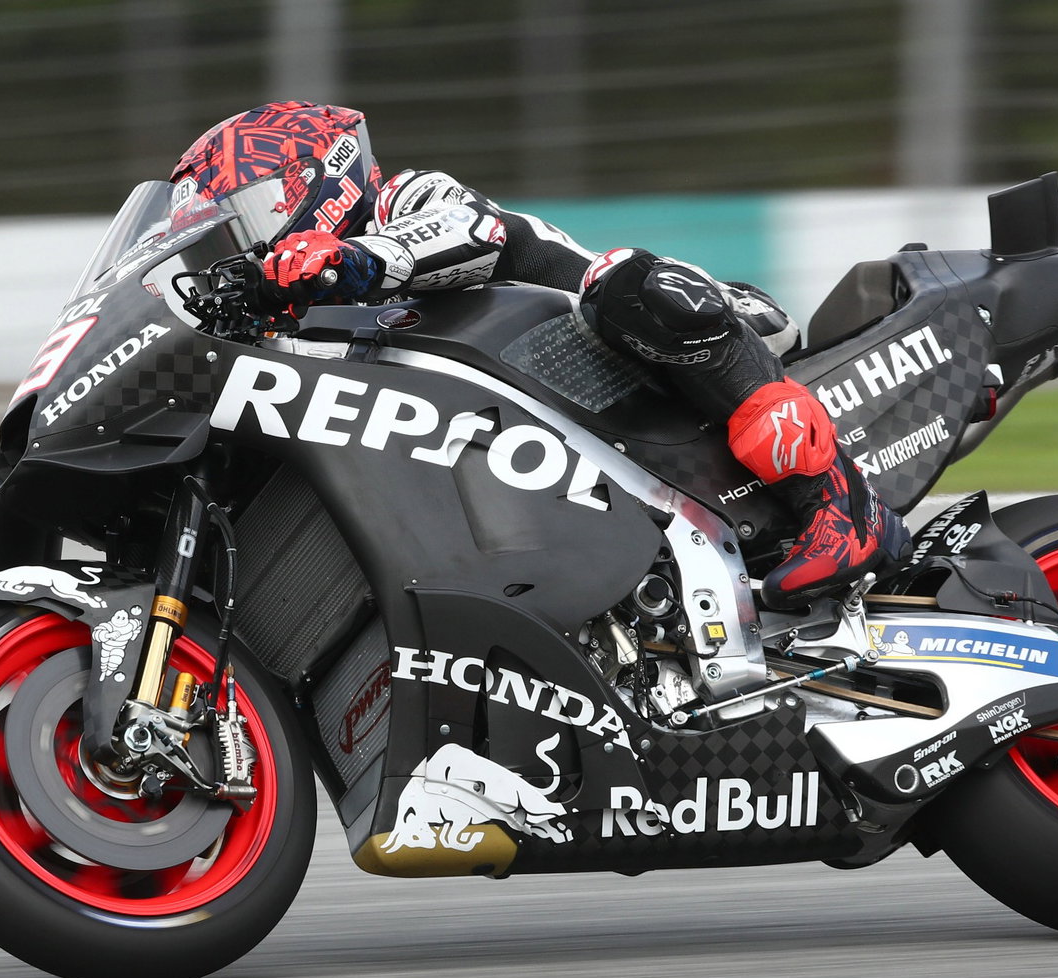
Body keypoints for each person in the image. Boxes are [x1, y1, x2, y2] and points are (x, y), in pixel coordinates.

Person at [170, 101, 909, 608]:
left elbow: (472, 230)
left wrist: (349, 258)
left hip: (672, 344)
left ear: (314, 179)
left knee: (623, 280)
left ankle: (839, 505)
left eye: (253, 216)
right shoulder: (310, 329)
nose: (253, 246)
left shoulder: (404, 199)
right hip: (576, 451)